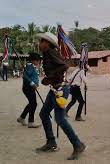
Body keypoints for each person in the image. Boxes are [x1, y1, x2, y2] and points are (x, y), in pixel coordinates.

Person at [35, 32, 85, 160]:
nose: (39, 43)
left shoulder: (51, 52)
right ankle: (51, 142)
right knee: (44, 114)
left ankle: (78, 144)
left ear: (48, 43)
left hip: (61, 89)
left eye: (42, 41)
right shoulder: (46, 54)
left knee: (60, 119)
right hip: (55, 89)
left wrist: (48, 78)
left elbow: (64, 66)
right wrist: (50, 79)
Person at [17, 53, 42, 128]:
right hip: (28, 88)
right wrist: (32, 83)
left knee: (32, 103)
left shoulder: (31, 66)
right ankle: (31, 122)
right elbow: (25, 76)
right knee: (33, 104)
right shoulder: (29, 66)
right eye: (38, 60)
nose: (38, 62)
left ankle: (22, 118)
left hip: (29, 88)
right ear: (34, 60)